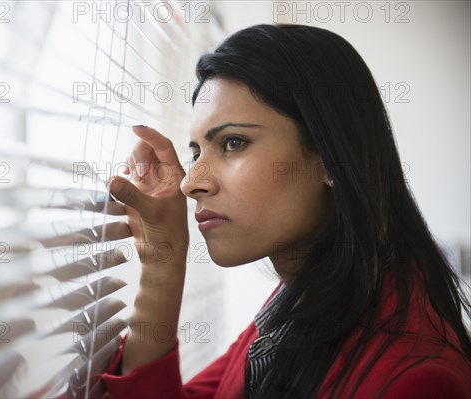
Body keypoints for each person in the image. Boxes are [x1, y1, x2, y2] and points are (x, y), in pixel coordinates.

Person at [101, 24, 471, 398]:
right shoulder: (297, 309)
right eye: (196, 151)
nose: (190, 181)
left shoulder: (415, 382)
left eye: (233, 143)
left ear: (330, 159)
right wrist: (163, 259)